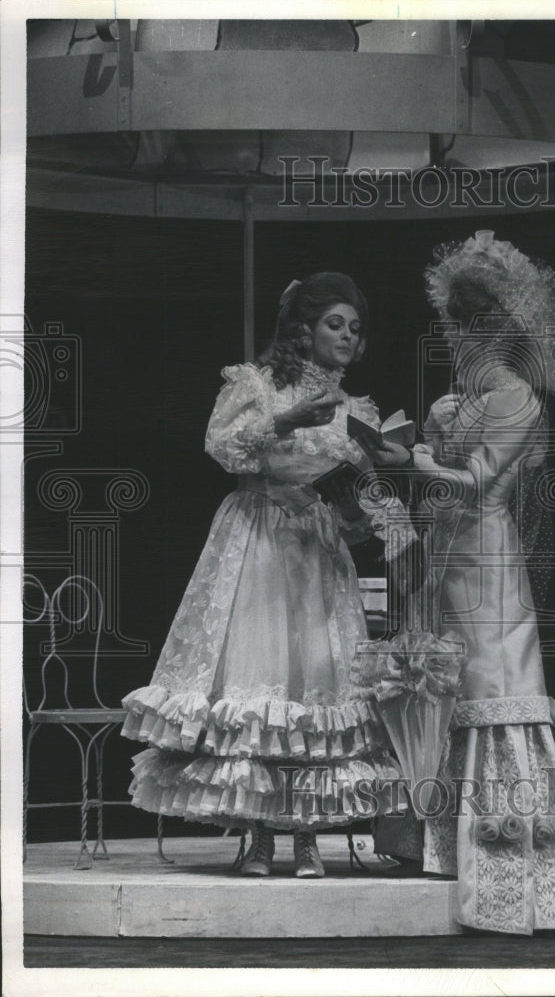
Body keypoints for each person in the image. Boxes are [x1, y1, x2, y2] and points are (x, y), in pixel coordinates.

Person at [375, 231, 555, 933]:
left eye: (470, 323)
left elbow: (480, 484)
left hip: (489, 557)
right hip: (449, 555)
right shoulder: (460, 400)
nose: (459, 336)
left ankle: (510, 854)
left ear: (499, 328)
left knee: (492, 684)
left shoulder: (517, 398)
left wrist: (417, 464)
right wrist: (420, 449)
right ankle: (440, 847)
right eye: (455, 324)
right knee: (451, 687)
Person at [121, 272, 412, 878]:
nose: (347, 336)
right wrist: (288, 418)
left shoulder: (356, 410)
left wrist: (373, 498)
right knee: (260, 678)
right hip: (257, 536)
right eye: (335, 324)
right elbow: (221, 445)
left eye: (354, 328)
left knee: (313, 683)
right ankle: (257, 836)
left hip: (314, 545)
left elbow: (351, 495)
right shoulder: (256, 384)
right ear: (303, 330)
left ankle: (306, 835)